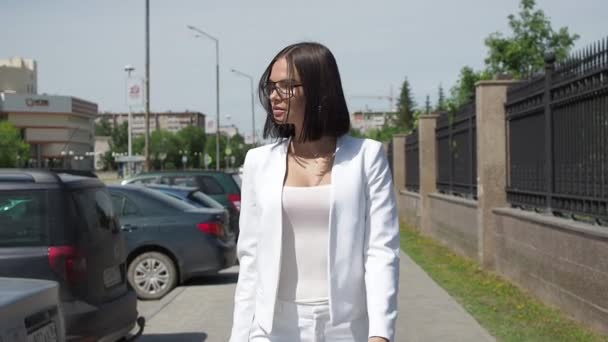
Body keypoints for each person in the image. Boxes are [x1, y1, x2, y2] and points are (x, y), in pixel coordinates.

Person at [230, 42, 400, 342]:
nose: (273, 95)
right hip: (272, 327)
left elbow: (381, 250)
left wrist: (380, 334)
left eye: (286, 86)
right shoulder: (258, 162)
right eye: (271, 86)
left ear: (319, 90)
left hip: (347, 328)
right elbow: (251, 258)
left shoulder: (366, 157)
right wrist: (239, 336)